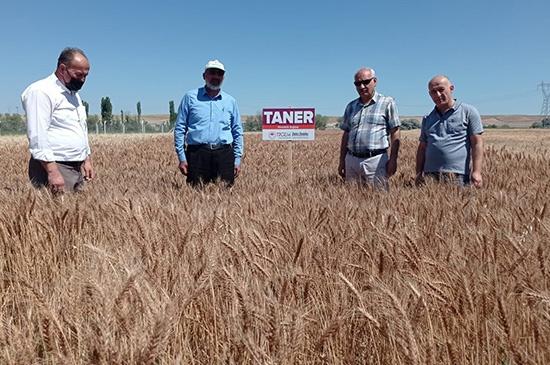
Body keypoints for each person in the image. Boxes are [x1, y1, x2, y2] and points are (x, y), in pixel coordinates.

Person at [21, 47, 94, 194]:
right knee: (57, 214)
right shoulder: (41, 91)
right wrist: (52, 171)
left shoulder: (73, 95)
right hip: (56, 165)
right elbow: (38, 135)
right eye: (79, 75)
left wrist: (86, 158)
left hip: (76, 166)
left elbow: (80, 128)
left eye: (86, 75)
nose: (82, 80)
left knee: (75, 215)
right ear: (62, 69)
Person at [174, 59, 244, 187]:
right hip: (197, 154)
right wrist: (182, 158)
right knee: (195, 197)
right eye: (212, 72)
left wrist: (237, 159)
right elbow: (180, 128)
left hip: (224, 155)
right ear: (204, 76)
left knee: (227, 198)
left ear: (223, 77)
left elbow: (237, 131)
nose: (216, 76)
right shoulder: (190, 97)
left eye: (220, 74)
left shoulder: (230, 101)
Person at [415, 75, 484, 187]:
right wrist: (418, 173)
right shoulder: (427, 118)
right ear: (429, 94)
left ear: (451, 88)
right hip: (430, 175)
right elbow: (422, 147)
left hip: (458, 176)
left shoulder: (468, 112)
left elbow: (477, 143)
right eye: (433, 92)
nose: (438, 95)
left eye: (441, 90)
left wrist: (476, 172)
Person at [338, 67, 401, 189]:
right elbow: (346, 134)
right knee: (351, 202)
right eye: (358, 83)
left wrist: (393, 160)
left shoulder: (387, 103)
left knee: (378, 201)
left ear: (375, 81)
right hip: (351, 160)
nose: (362, 86)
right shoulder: (351, 106)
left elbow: (395, 132)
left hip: (376, 160)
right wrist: (342, 160)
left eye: (366, 82)